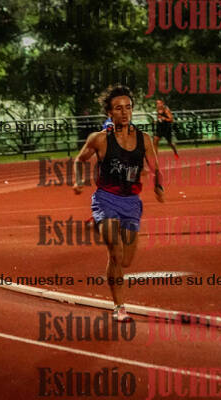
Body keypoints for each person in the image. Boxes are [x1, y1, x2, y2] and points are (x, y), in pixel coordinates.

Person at [73, 85, 165, 322]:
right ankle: (119, 307)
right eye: (118, 108)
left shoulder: (144, 139)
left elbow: (155, 168)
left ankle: (103, 227)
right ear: (109, 113)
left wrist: (159, 187)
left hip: (131, 202)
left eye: (128, 107)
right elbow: (79, 160)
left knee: (125, 260)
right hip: (106, 199)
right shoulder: (99, 139)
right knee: (115, 252)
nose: (124, 112)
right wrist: (79, 181)